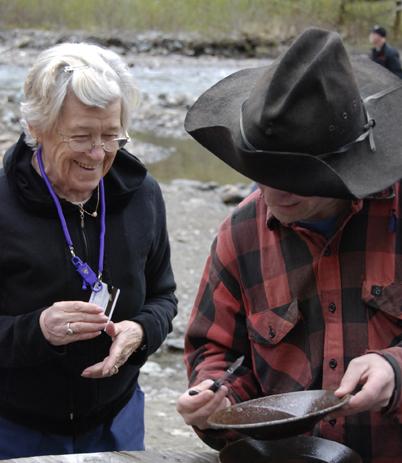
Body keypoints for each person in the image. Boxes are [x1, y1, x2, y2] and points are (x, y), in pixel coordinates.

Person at [176, 28, 402, 463]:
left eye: (296, 179)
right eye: (263, 171)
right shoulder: (240, 233)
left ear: (343, 163)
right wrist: (218, 402)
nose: (275, 193)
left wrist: (395, 371)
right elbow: (216, 352)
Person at [0, 42, 177, 458]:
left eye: (111, 135)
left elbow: (163, 296)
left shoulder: (142, 196)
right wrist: (36, 329)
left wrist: (141, 331)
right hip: (15, 428)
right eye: (81, 137)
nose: (98, 154)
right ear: (37, 128)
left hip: (117, 421)